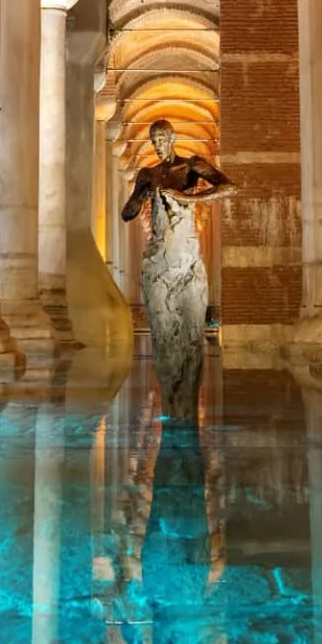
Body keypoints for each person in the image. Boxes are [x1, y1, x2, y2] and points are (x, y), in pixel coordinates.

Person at [122, 119, 234, 420]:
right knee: (163, 336)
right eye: (153, 140)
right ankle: (171, 400)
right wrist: (139, 196)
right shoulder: (149, 174)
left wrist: (190, 198)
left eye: (161, 139)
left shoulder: (191, 166)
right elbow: (126, 213)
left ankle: (188, 402)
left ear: (172, 138)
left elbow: (228, 187)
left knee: (192, 338)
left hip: (187, 261)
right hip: (158, 262)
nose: (157, 145)